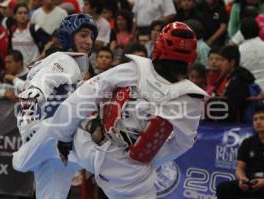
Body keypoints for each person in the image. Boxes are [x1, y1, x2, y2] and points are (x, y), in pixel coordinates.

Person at [13, 21, 207, 198]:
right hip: (128, 172)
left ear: (158, 46)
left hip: (88, 144)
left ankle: (26, 158)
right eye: (83, 35)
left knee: (56, 129)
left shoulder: (135, 69)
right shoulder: (191, 98)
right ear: (192, 56)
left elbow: (79, 100)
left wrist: (63, 138)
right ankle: (34, 155)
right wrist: (149, 158)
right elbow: (184, 142)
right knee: (57, 140)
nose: (88, 41)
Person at [12, 13, 98, 199]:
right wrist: (28, 125)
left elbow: (27, 88)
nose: (89, 41)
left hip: (58, 152)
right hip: (52, 135)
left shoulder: (73, 66)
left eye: (91, 36)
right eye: (83, 35)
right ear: (69, 36)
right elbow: (35, 90)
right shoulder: (65, 61)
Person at [216, 104, 264, 199]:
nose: (258, 122)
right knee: (223, 188)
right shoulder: (247, 142)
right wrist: (242, 179)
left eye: (262, 118)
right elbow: (240, 168)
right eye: (255, 119)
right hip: (250, 182)